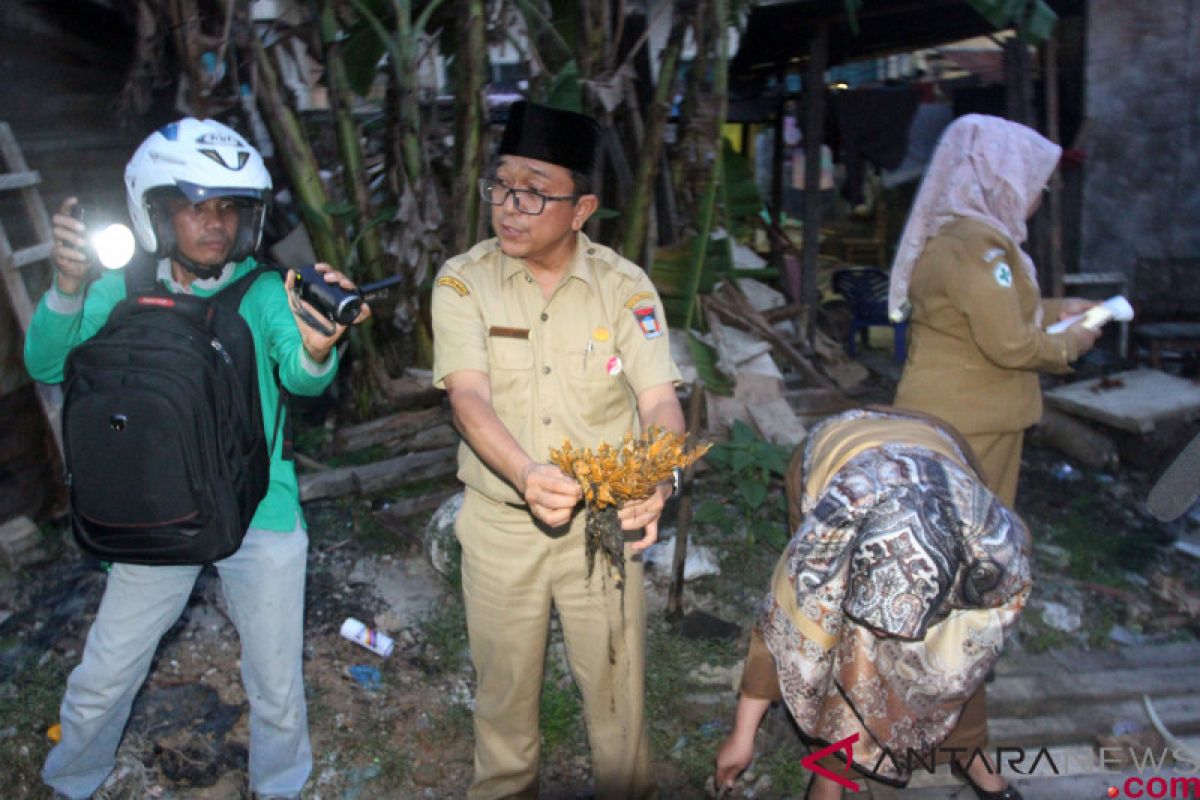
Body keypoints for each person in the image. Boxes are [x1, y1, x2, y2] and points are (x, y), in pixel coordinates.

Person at [26, 117, 368, 800]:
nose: (214, 224)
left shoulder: (265, 291)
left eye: (228, 210)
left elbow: (301, 378)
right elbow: (46, 360)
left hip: (258, 508)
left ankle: (280, 785)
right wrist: (66, 286)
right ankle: (72, 780)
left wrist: (321, 346)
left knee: (273, 681)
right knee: (105, 672)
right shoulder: (119, 289)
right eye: (195, 206)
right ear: (156, 210)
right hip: (155, 510)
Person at [431, 101, 684, 799]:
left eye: (535, 190)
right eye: (502, 186)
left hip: (602, 529)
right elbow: (468, 398)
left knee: (616, 701)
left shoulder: (623, 287)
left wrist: (656, 476)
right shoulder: (462, 281)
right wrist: (525, 473)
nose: (511, 206)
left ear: (581, 209)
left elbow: (660, 401)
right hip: (500, 528)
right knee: (503, 700)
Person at [714, 408, 1032, 800]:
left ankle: (972, 757)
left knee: (955, 650)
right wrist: (741, 737)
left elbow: (969, 653)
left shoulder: (996, 551)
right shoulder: (823, 546)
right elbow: (779, 630)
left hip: (939, 442)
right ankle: (829, 774)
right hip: (833, 448)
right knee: (839, 646)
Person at [889, 113, 1100, 507]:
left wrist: (1058, 311)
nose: (1037, 195)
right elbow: (1011, 344)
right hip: (967, 422)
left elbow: (987, 310)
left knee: (966, 535)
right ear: (1001, 180)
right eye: (1035, 184)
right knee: (967, 537)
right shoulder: (975, 246)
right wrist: (1072, 342)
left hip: (968, 415)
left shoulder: (963, 237)